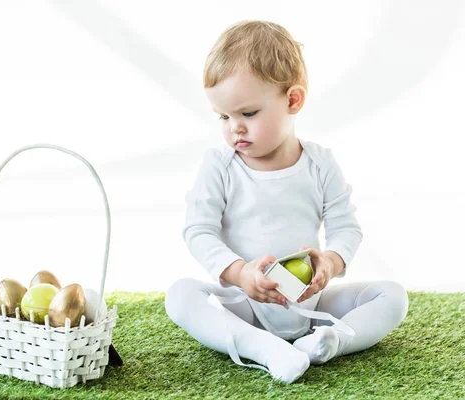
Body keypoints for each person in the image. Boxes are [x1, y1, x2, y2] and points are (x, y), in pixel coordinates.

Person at [165, 20, 409, 384]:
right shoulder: (220, 165)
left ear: (292, 100)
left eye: (247, 113)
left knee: (392, 296)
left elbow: (345, 226)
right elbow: (198, 231)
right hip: (246, 305)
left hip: (310, 304)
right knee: (180, 296)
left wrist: (330, 261)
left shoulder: (319, 163)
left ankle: (328, 342)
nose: (235, 128)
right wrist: (240, 273)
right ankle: (263, 347)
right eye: (224, 116)